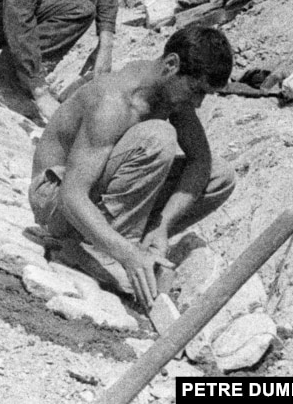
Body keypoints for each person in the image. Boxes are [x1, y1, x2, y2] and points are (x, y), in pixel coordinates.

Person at [29, 24, 236, 311]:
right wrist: (126, 254)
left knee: (220, 176)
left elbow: (201, 162)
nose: (198, 103)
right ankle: (83, 248)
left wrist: (162, 226)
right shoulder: (113, 102)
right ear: (171, 64)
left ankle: (122, 243)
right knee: (158, 138)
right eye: (195, 90)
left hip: (91, 193)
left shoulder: (169, 93)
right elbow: (71, 195)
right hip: (55, 201)